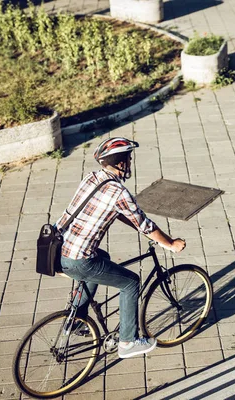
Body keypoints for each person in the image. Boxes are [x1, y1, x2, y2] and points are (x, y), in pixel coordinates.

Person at [56, 137, 186, 359]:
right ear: (121, 163)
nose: (130, 163)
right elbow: (144, 224)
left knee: (102, 257)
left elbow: (115, 211)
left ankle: (75, 320)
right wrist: (170, 244)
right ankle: (128, 342)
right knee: (130, 282)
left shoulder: (92, 178)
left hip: (59, 251)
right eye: (129, 158)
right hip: (79, 260)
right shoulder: (118, 192)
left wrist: (135, 223)